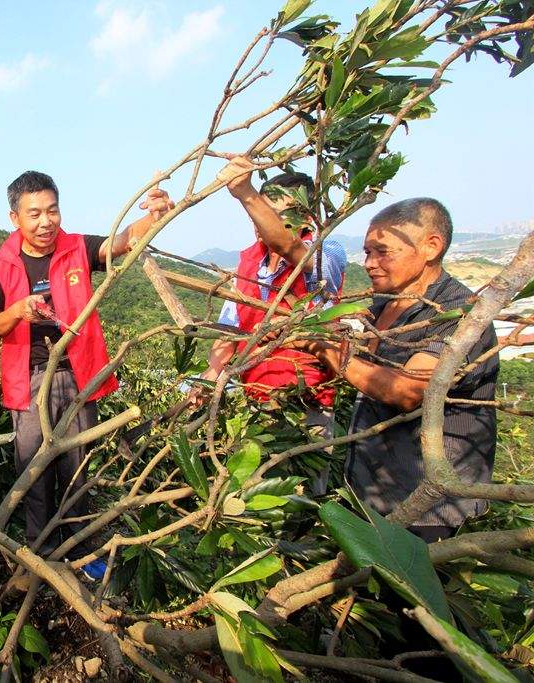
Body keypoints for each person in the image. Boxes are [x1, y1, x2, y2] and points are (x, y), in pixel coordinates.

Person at [0, 170, 173, 580]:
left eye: (52, 210)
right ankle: (40, 551)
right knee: (33, 467)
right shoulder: (0, 263)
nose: (45, 221)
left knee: (76, 465)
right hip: (29, 377)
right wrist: (18, 311)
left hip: (77, 372)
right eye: (34, 214)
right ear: (15, 218)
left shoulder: (76, 248)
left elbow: (121, 243)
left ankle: (80, 550)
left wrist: (153, 216)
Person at [281, 197, 498, 542]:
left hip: (431, 510)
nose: (369, 263)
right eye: (367, 252)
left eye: (382, 252)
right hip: (373, 494)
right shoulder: (383, 304)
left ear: (431, 246)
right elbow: (365, 369)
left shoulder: (461, 316)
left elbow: (407, 390)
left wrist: (323, 347)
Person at [194, 157, 348, 411]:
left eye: (275, 216)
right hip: (256, 400)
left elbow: (289, 246)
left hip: (309, 402)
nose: (261, 222)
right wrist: (209, 377)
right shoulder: (248, 265)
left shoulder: (325, 251)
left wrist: (246, 193)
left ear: (307, 218)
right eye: (260, 212)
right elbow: (229, 331)